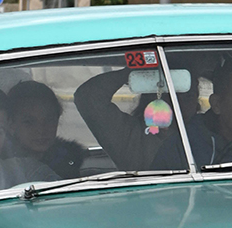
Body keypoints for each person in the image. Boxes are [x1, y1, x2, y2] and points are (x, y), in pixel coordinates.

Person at [74, 60, 212, 171]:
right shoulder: (132, 137)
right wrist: (133, 71)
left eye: (189, 95)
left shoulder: (209, 135)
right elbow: (88, 97)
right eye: (171, 94)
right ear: (153, 95)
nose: (179, 102)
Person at [5, 81, 87, 179]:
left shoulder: (69, 162)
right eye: (29, 122)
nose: (41, 130)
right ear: (11, 125)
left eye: (49, 120)